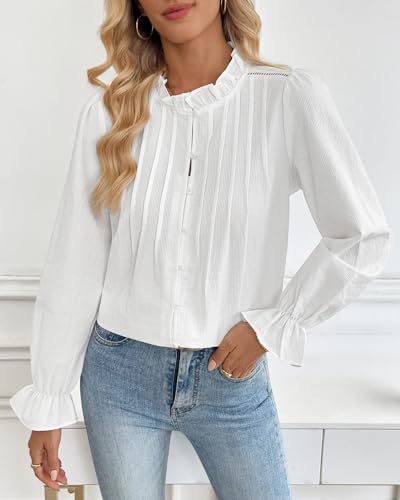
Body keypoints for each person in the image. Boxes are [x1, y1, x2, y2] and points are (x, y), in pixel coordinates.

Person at [9, 0, 391, 499]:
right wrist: (49, 400)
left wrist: (271, 327)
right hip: (119, 377)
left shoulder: (286, 97)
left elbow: (362, 235)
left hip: (229, 375)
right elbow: (75, 261)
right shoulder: (109, 113)